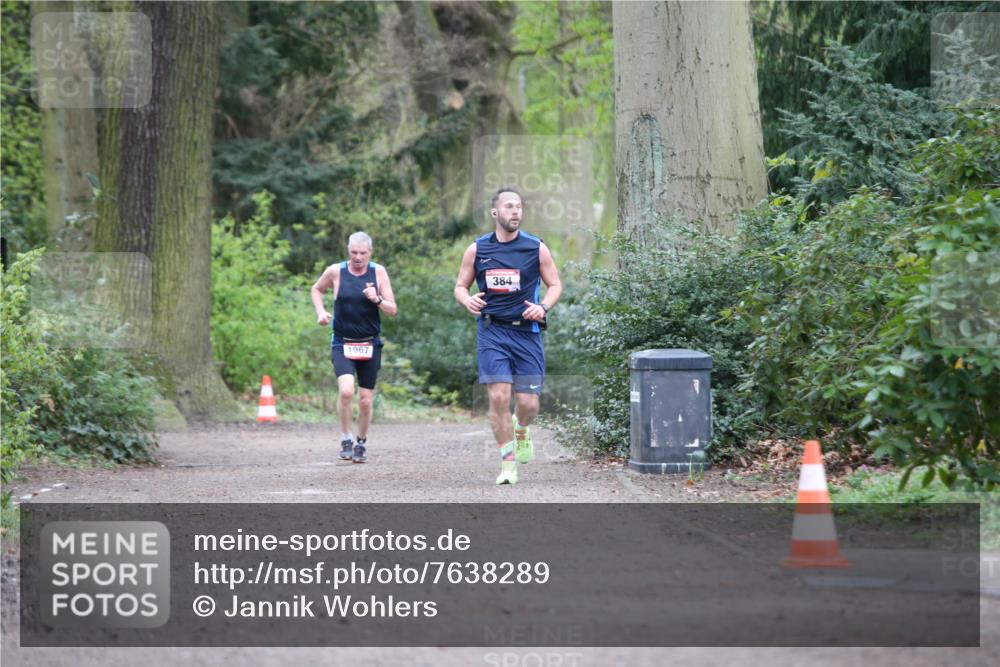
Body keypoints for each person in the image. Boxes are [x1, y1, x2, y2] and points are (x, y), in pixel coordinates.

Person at [454, 187, 562, 485]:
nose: (515, 211)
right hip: (492, 331)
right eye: (509, 206)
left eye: (519, 207)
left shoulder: (535, 247)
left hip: (527, 332)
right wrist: (467, 300)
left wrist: (543, 307)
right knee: (499, 397)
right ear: (495, 212)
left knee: (528, 405)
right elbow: (460, 286)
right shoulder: (477, 249)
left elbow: (555, 285)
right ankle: (508, 462)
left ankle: (521, 428)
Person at [311, 232, 397, 463]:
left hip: (370, 343)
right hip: (343, 342)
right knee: (347, 392)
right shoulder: (335, 271)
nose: (358, 257)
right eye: (354, 253)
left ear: (371, 252)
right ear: (348, 251)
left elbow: (392, 309)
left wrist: (377, 299)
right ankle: (346, 438)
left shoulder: (378, 272)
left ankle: (361, 441)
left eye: (363, 253)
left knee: (366, 400)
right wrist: (320, 312)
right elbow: (316, 289)